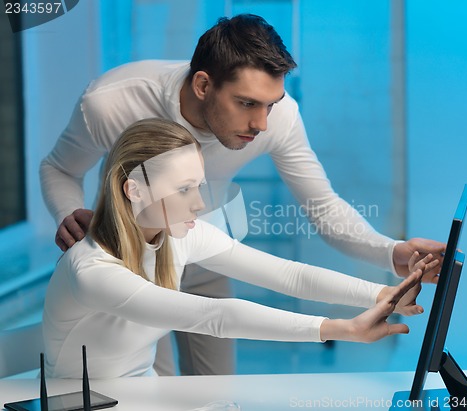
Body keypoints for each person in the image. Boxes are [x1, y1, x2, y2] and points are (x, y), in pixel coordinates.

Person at [39, 14, 445, 376]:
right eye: (247, 103)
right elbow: (58, 168)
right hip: (127, 256)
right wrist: (68, 211)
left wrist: (391, 261)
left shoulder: (275, 119)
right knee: (144, 376)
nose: (262, 123)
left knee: (217, 390)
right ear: (202, 84)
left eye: (272, 103)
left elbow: (314, 223)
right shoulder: (111, 103)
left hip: (191, 243)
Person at [42, 118, 435, 379]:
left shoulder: (176, 236)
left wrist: (384, 295)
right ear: (134, 190)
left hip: (145, 394)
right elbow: (215, 315)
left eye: (198, 186)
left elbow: (287, 274)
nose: (198, 203)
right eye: (183, 190)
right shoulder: (92, 271)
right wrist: (341, 329)